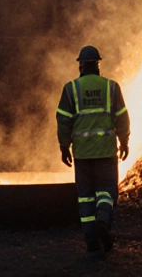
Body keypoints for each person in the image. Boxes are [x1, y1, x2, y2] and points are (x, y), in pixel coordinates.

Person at [56, 45, 130, 253]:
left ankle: (91, 241)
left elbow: (63, 120)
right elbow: (122, 117)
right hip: (106, 153)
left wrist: (64, 147)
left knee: (85, 197)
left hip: (82, 154)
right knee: (107, 193)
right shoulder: (111, 87)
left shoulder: (71, 89)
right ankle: (104, 221)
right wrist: (124, 141)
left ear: (80, 66)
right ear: (98, 64)